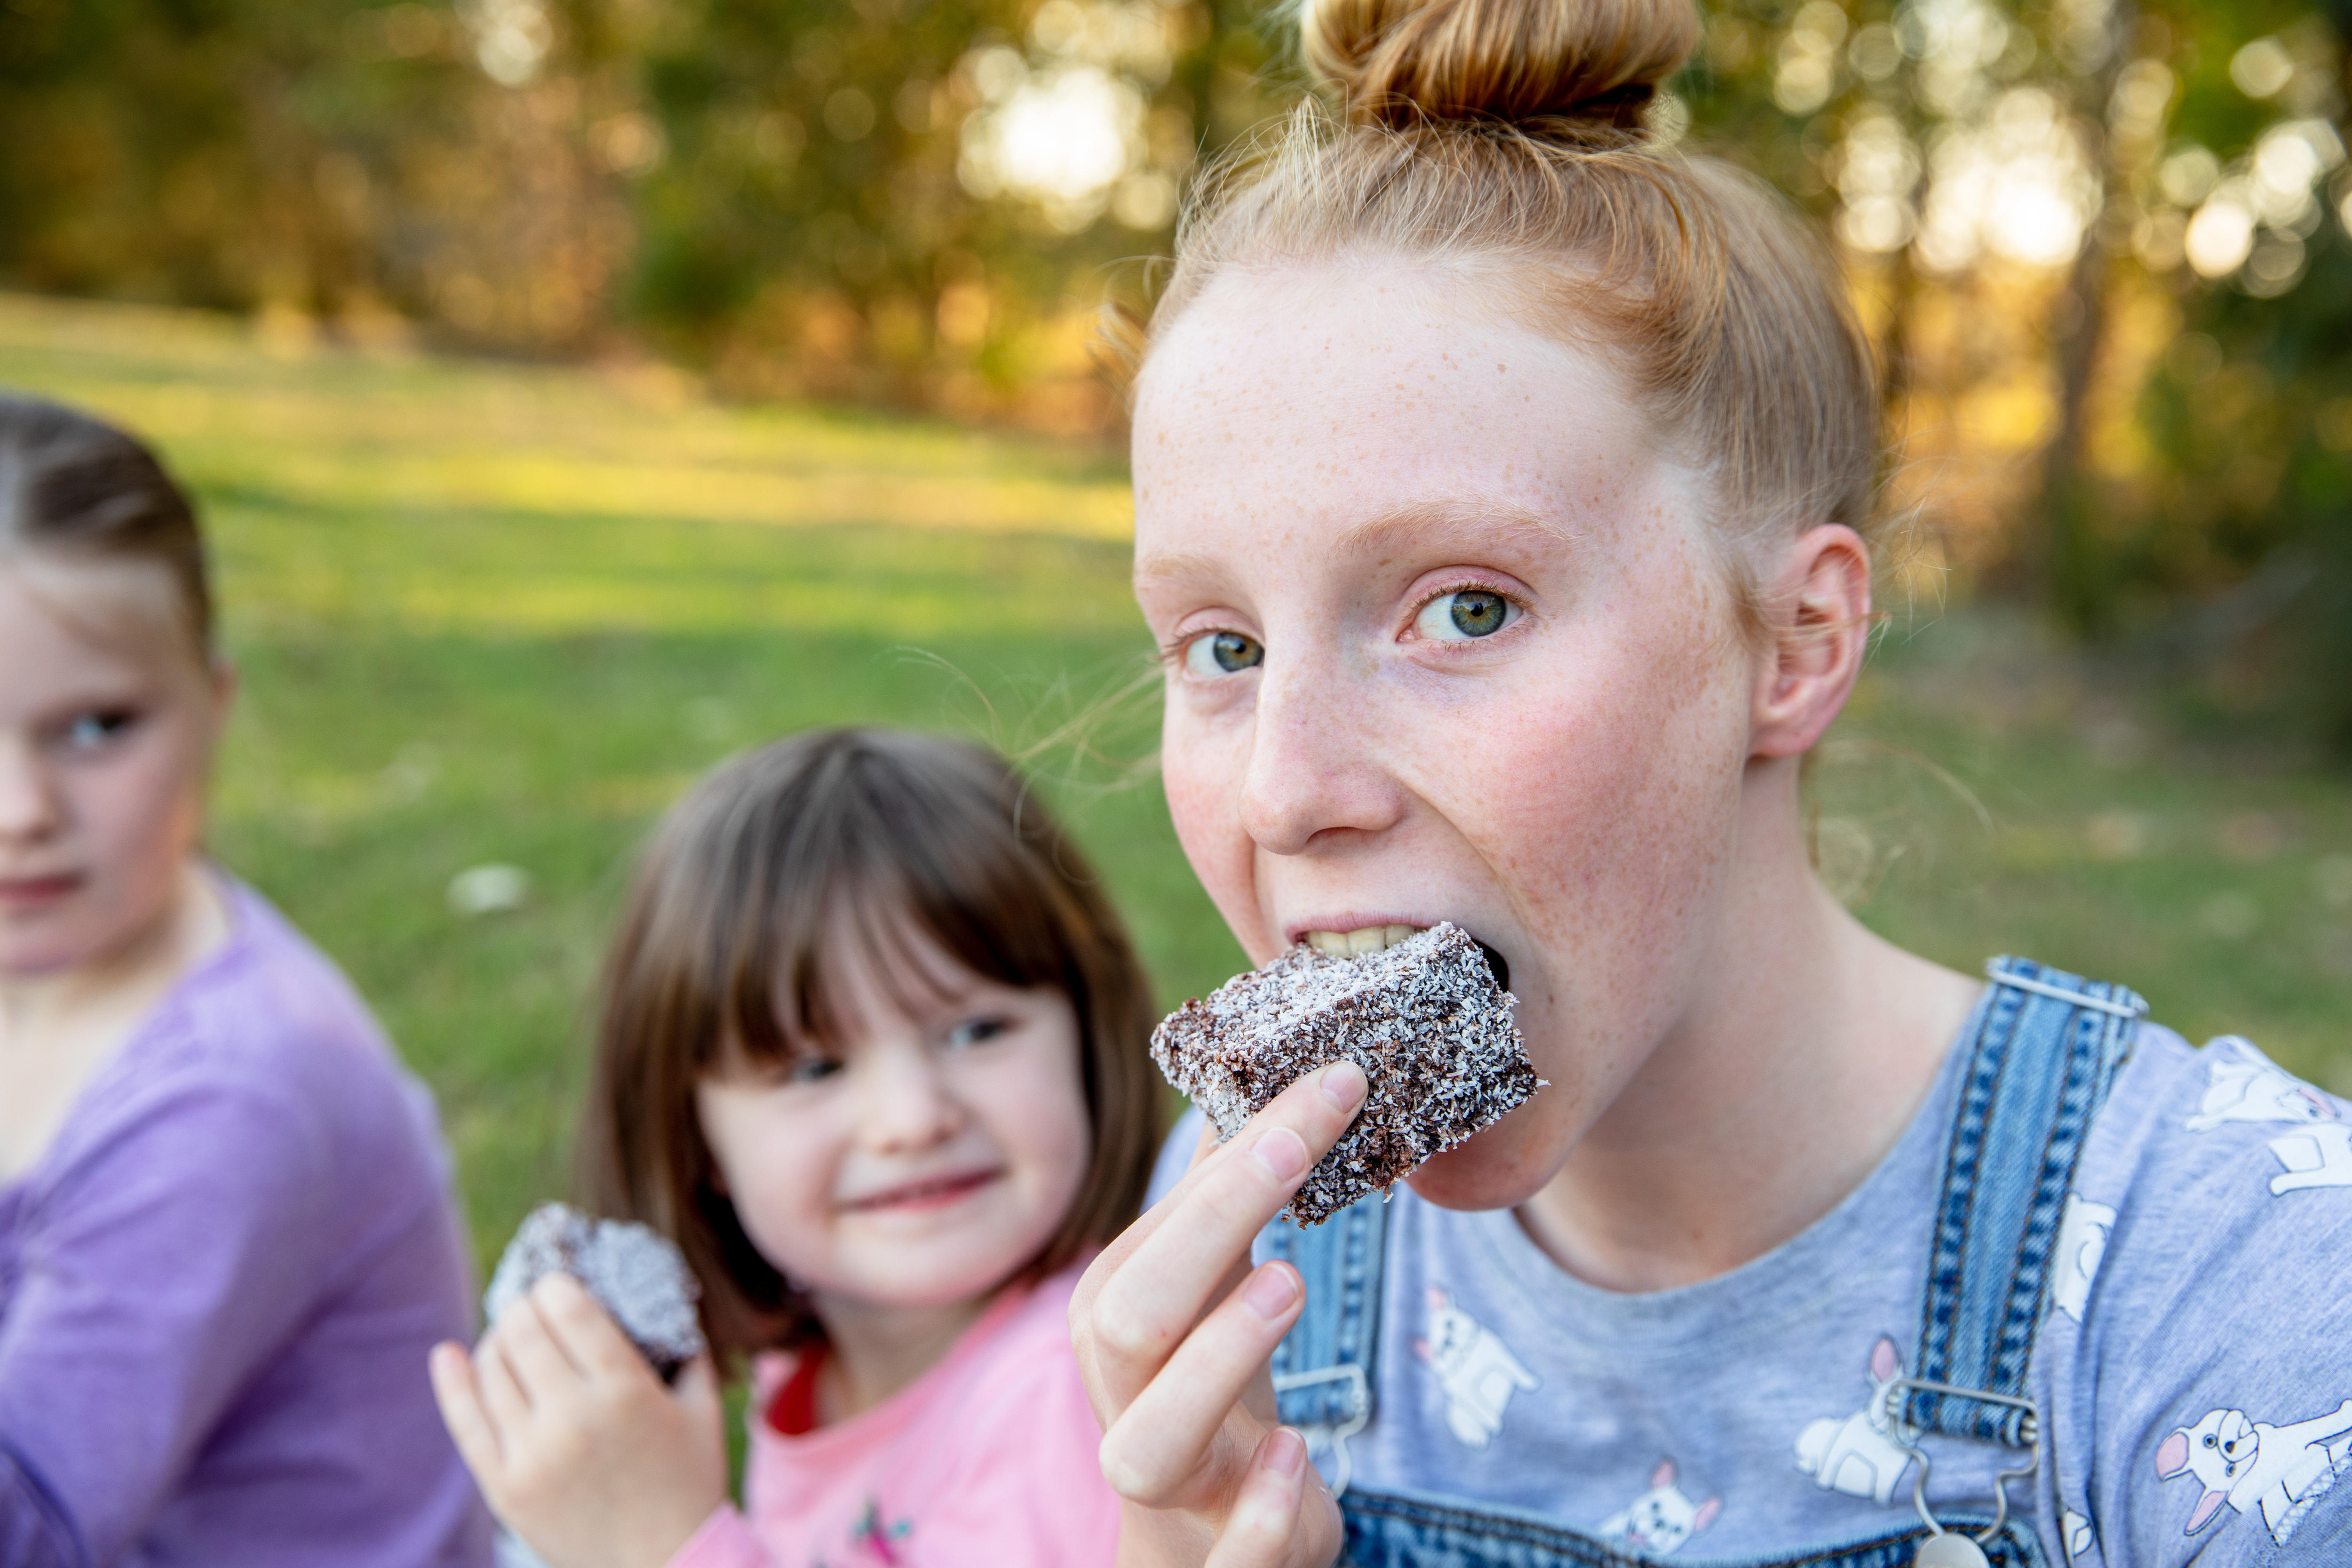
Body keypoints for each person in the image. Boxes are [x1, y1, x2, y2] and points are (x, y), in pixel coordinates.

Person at [1067, 0, 2352, 1563]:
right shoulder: (1245, 1274)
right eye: (1219, 644)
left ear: (1798, 639)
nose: (1285, 791)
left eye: (1465, 608)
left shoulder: (2248, 1304)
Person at [430, 727, 1160, 1568]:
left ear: (1088, 1036)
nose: (912, 1118)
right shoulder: (814, 1363)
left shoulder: (1079, 1396)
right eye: (814, 1066)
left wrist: (662, 1546)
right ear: (692, 1132)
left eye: (977, 1029)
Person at [0, 392, 492, 1563]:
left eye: (96, 727)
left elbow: (38, 1529)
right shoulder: (42, 961)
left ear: (212, 707)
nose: (21, 814)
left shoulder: (233, 1095)